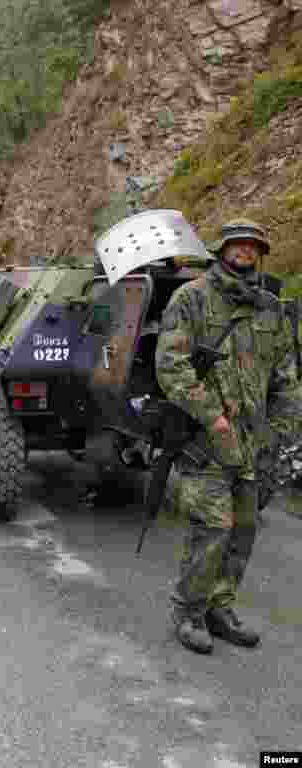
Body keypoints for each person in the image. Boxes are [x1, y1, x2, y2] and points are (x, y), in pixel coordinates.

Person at [155, 218, 302, 654]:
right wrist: (211, 416)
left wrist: (280, 432)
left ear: (261, 254)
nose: (245, 251)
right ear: (221, 249)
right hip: (208, 441)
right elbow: (171, 366)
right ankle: (189, 612)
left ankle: (220, 607)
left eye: (253, 246)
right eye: (237, 244)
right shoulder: (192, 298)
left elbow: (286, 376)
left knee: (243, 531)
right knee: (212, 530)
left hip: (253, 444)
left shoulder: (270, 307)